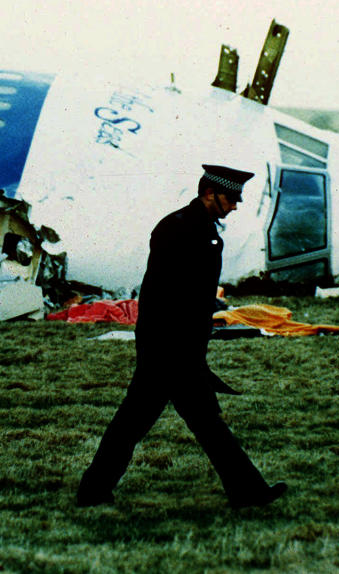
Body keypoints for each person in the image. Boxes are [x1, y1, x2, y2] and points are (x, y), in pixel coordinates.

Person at [76, 164, 287, 509]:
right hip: (169, 347)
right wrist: (184, 347)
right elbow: (167, 293)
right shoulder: (179, 228)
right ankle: (249, 492)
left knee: (185, 422)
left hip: (178, 346)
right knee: (158, 422)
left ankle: (247, 491)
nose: (235, 205)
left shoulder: (197, 227)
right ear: (209, 193)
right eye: (231, 197)